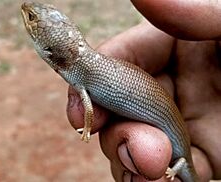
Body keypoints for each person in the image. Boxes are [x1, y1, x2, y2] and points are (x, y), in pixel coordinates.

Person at [66, 1, 221, 181]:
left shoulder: (184, 163)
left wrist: (86, 128)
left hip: (176, 142)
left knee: (165, 158)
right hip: (166, 122)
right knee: (144, 151)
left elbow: (181, 163)